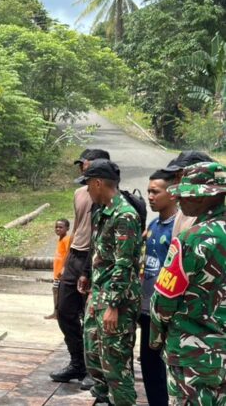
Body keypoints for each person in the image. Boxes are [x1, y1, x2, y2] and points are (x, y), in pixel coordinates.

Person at [150, 162, 226, 404]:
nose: (179, 199)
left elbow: (163, 302)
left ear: (204, 197)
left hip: (194, 357)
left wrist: (156, 339)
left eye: (185, 194)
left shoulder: (191, 240)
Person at [77, 159, 142, 406]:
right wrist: (90, 283)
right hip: (99, 295)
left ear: (98, 183)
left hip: (117, 301)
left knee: (115, 365)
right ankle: (103, 398)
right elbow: (100, 255)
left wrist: (113, 305)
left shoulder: (125, 215)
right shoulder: (102, 212)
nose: (86, 190)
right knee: (95, 358)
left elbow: (124, 264)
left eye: (87, 185)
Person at [51, 148, 110, 383]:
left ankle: (95, 370)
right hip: (75, 256)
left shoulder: (107, 195)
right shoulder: (78, 193)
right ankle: (77, 363)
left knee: (91, 317)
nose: (82, 168)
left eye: (86, 164)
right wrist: (67, 262)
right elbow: (77, 228)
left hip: (94, 258)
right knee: (64, 311)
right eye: (81, 164)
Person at [138, 169, 176, 406]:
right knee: (149, 366)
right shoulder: (153, 224)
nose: (150, 197)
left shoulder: (178, 227)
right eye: (148, 191)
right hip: (147, 310)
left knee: (166, 370)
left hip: (166, 313)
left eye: (155, 192)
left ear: (172, 194)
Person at [162, 150, 213, 238]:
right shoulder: (183, 211)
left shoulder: (210, 220)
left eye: (182, 176)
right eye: (176, 176)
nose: (176, 182)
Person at [45, 219, 71, 320]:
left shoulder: (66, 239)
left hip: (61, 273)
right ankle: (56, 313)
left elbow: (68, 255)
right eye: (56, 227)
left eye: (61, 227)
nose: (58, 229)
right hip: (57, 273)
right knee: (56, 291)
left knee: (57, 292)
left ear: (67, 228)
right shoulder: (60, 239)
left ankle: (58, 313)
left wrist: (63, 269)